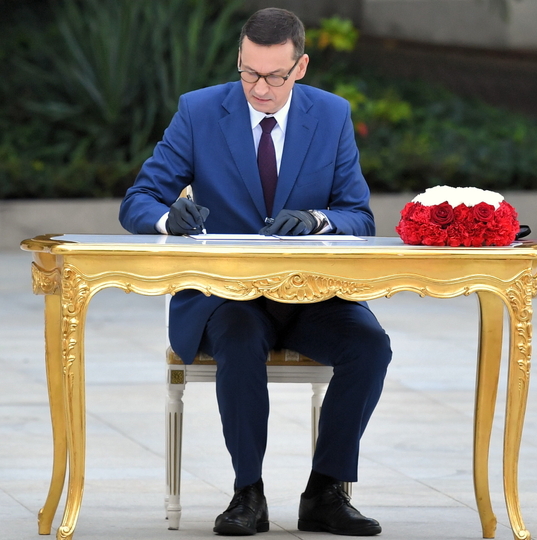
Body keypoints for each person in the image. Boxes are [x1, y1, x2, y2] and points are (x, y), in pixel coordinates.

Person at [119, 7, 391, 537]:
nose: (260, 88)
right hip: (226, 296)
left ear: (301, 67)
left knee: (370, 347)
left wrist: (317, 220)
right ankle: (248, 493)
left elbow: (359, 216)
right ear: (239, 60)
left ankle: (325, 492)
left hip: (312, 296)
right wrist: (167, 219)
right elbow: (138, 200)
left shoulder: (331, 115)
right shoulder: (199, 111)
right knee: (240, 338)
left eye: (274, 76)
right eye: (249, 73)